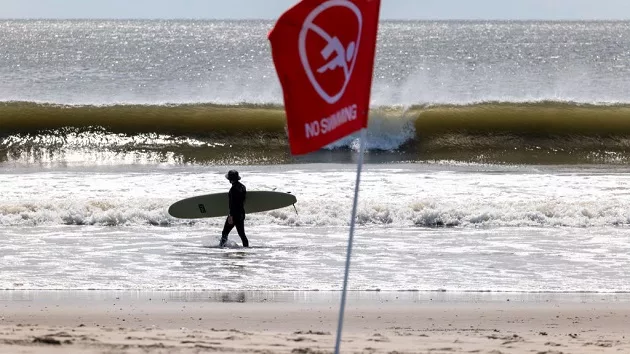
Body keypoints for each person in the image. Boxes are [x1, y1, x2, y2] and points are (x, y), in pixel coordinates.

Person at [219, 170, 249, 248]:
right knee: (242, 235)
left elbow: (233, 204)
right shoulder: (243, 187)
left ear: (230, 179)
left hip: (234, 214)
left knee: (225, 232)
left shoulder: (233, 190)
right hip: (241, 213)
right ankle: (246, 249)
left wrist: (230, 216)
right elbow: (242, 201)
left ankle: (221, 248)